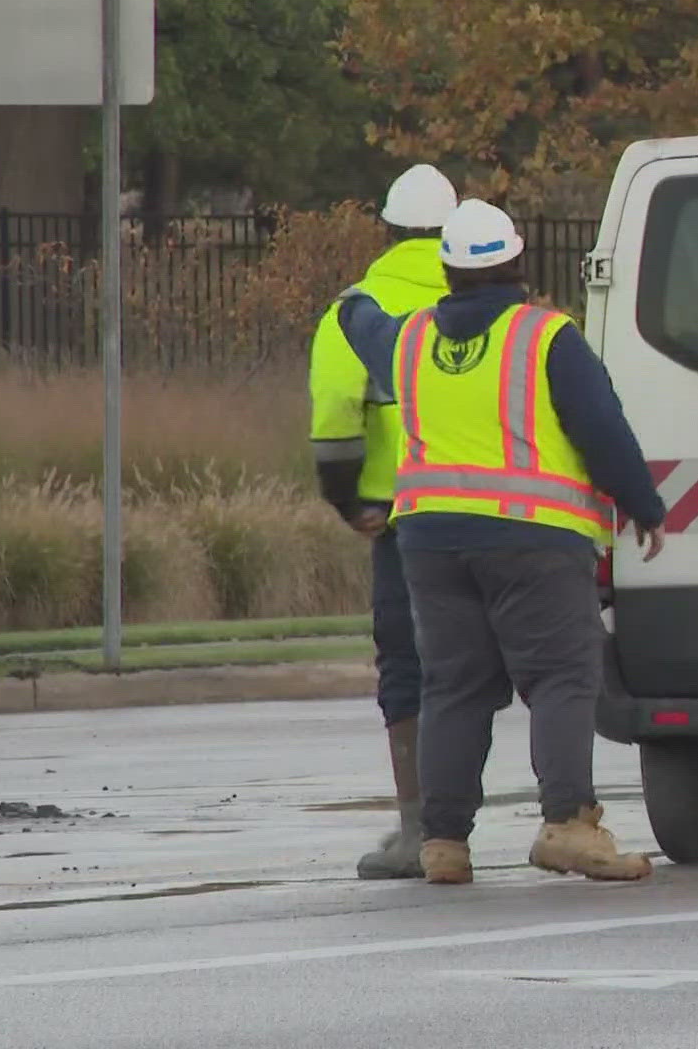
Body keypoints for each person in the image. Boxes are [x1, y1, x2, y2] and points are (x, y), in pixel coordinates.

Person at [335, 198, 667, 884]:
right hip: (534, 540)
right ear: (518, 264)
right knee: (561, 678)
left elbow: (355, 317)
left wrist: (355, 295)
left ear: (448, 271)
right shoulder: (547, 338)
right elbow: (601, 429)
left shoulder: (408, 340)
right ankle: (569, 824)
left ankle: (444, 843)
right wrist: (642, 505)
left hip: (429, 541)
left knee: (454, 687)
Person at [307, 163, 458, 879]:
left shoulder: (357, 308)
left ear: (388, 230)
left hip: (401, 519)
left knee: (407, 663)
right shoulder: (493, 298)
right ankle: (553, 814)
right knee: (486, 668)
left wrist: (348, 499)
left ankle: (422, 829)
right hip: (502, 513)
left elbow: (336, 420)